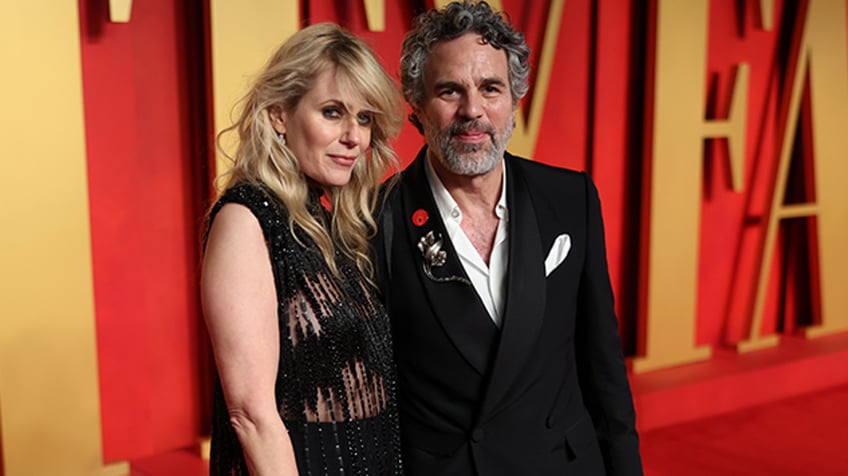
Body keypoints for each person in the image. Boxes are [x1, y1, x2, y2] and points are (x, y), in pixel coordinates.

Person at [375, 2, 643, 475]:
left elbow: (602, 366)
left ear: (515, 98)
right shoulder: (375, 219)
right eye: (449, 90)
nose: (472, 110)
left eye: (490, 88)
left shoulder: (569, 197)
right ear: (416, 107)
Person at [201, 23, 404, 475]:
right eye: (333, 112)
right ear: (279, 115)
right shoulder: (246, 219)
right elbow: (250, 416)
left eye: (365, 118)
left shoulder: (332, 226)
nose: (354, 136)